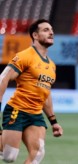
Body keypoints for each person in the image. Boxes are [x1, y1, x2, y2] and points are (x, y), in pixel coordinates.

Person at [0, 19, 63, 163]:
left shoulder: (51, 65)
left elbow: (45, 93)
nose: (51, 32)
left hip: (35, 115)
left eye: (51, 29)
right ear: (35, 35)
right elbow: (3, 79)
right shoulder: (24, 56)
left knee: (38, 153)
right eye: (46, 30)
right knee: (9, 157)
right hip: (17, 110)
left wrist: (53, 121)